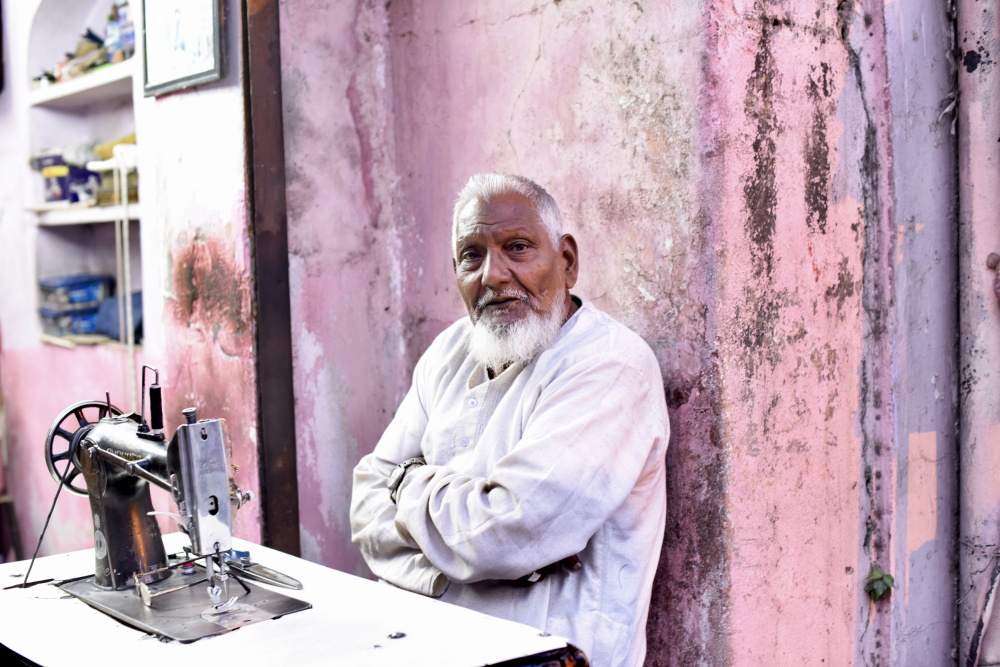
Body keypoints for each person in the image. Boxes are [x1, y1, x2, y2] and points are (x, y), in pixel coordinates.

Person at [350, 173, 668, 667]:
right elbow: (366, 510)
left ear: (566, 261)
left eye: (517, 248)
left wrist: (406, 485)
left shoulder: (609, 365)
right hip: (427, 647)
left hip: (545, 656)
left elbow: (508, 534)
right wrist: (464, 561)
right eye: (472, 256)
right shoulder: (450, 352)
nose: (493, 275)